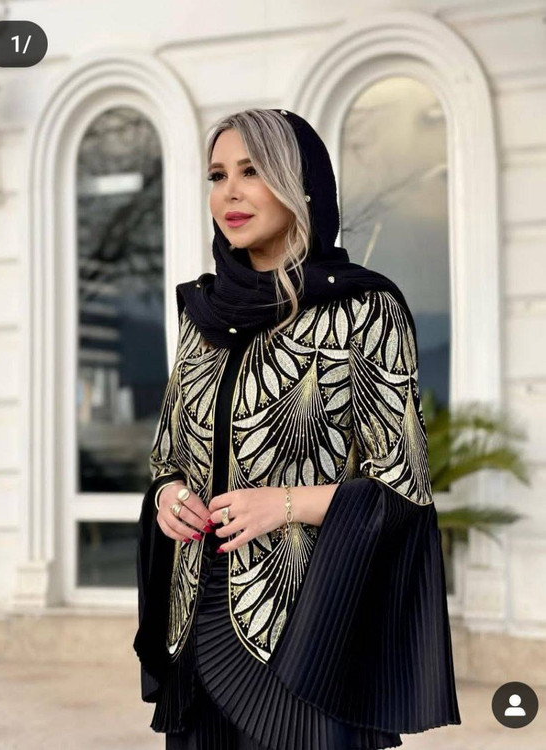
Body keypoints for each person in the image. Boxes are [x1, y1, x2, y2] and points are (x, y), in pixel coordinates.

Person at [133, 108, 461, 749]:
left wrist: (282, 504)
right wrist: (169, 497)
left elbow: (403, 488)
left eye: (251, 171)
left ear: (300, 184)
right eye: (217, 175)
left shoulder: (363, 309)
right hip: (196, 631)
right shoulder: (201, 313)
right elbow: (169, 456)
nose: (229, 192)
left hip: (307, 637)